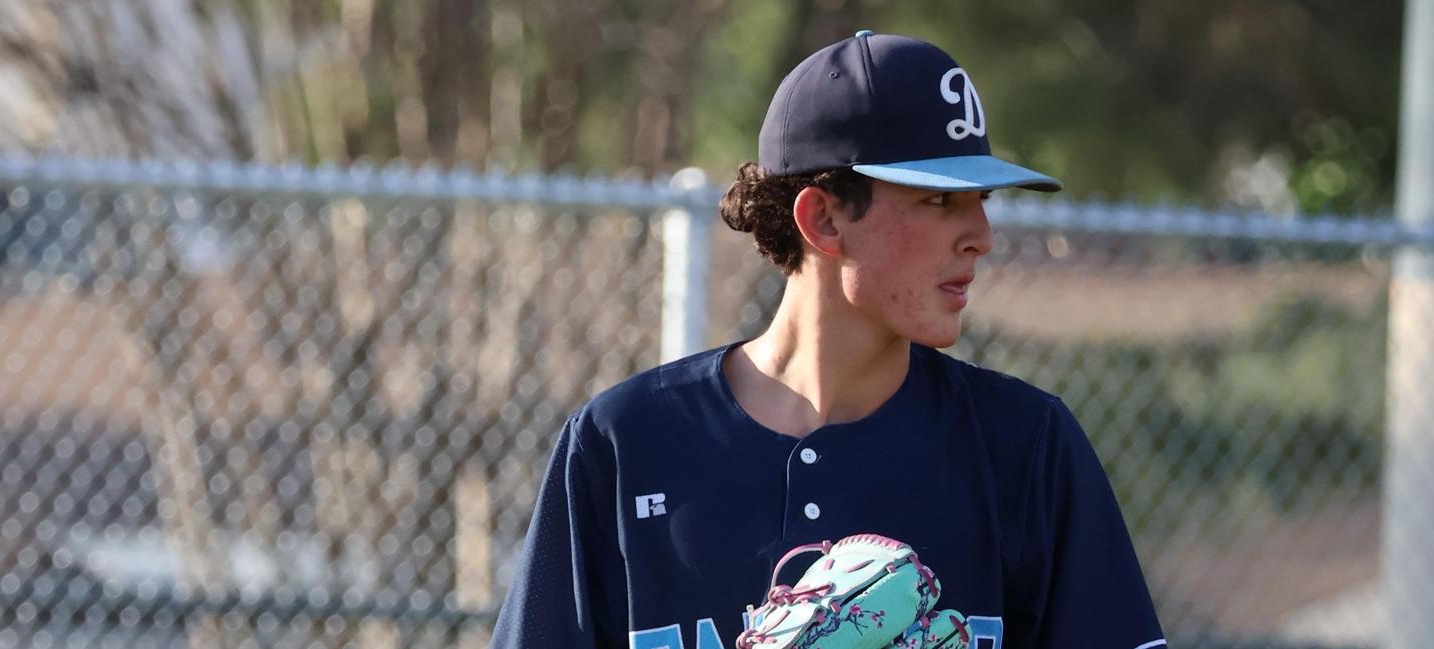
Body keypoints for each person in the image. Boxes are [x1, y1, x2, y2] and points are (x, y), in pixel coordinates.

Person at [489, 31, 1165, 649]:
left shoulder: (1024, 446)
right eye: (939, 200)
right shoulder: (623, 444)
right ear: (823, 218)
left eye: (982, 200)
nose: (981, 237)